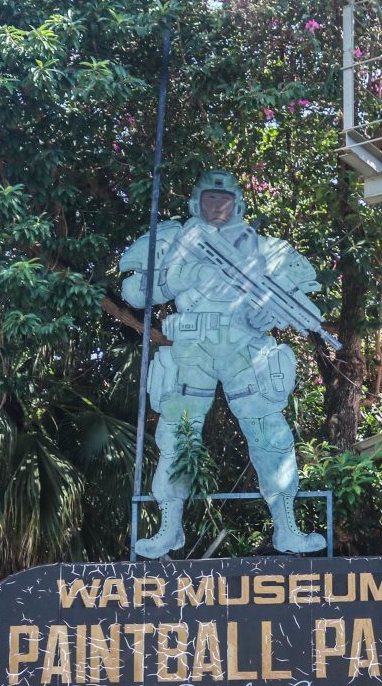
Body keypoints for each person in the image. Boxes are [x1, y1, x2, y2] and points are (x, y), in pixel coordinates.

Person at [121, 169, 329, 557]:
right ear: (195, 203)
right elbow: (134, 291)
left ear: (239, 202)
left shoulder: (266, 248)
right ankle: (169, 529)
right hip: (191, 348)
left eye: (225, 199)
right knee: (176, 438)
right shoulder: (173, 238)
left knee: (271, 436)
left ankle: (287, 528)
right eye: (210, 199)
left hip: (245, 348)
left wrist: (268, 314)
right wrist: (176, 277)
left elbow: (300, 297)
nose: (217, 206)